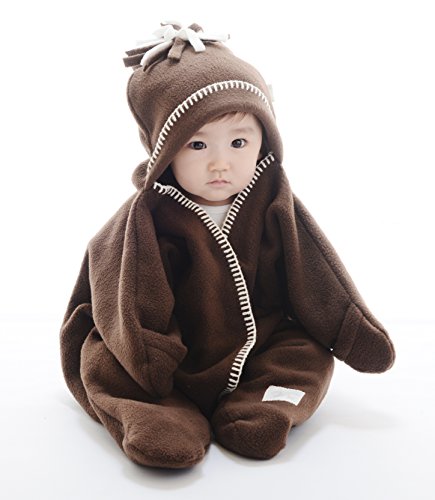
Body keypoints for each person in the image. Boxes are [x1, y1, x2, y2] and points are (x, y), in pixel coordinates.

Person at [60, 22, 395, 469]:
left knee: (305, 353)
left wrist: (350, 328)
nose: (220, 163)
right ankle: (158, 416)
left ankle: (265, 405)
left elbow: (315, 269)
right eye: (197, 145)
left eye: (239, 142)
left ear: (263, 141)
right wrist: (150, 360)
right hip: (167, 353)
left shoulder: (273, 201)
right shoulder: (147, 219)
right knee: (106, 362)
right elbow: (127, 297)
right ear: (164, 151)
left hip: (259, 343)